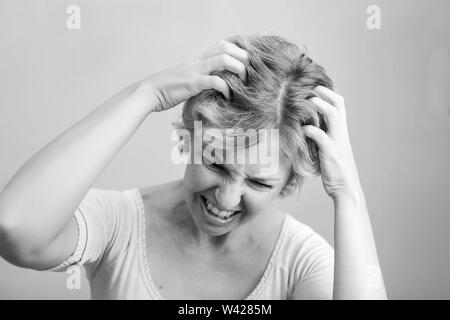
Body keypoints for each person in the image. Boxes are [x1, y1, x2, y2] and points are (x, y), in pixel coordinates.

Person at [0, 34, 387, 299]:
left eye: (258, 182)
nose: (227, 197)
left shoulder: (301, 262)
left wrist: (349, 195)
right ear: (189, 140)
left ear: (287, 182)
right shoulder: (120, 224)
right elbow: (16, 229)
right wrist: (147, 93)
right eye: (216, 163)